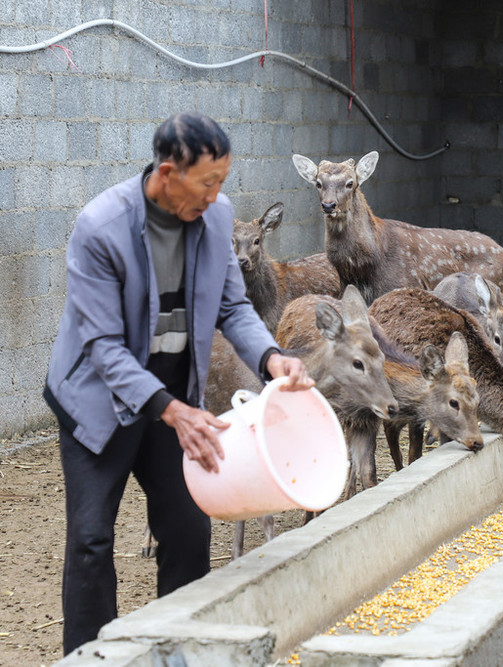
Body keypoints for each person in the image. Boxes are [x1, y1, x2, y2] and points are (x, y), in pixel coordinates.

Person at [43, 112, 315, 655]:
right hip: (99, 399)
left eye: (223, 182)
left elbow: (233, 306)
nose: (216, 197)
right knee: (92, 540)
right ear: (167, 174)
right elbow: (103, 348)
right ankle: (90, 657)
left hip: (173, 395)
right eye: (206, 184)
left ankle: (181, 653)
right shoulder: (101, 227)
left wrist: (270, 358)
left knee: (189, 534)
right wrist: (173, 411)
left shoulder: (216, 219)